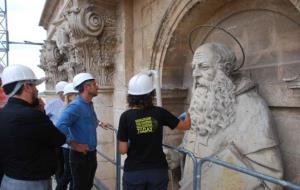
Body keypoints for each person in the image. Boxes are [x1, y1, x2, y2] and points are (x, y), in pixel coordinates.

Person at [178, 43, 283, 189]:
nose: (195, 74)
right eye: (193, 67)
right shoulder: (199, 104)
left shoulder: (251, 106)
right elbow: (191, 143)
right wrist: (175, 153)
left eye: (204, 67)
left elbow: (270, 177)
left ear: (225, 69)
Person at [117, 72, 191, 190]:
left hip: (134, 172)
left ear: (130, 97)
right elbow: (185, 126)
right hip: (157, 171)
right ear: (151, 94)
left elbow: (122, 150)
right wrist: (187, 113)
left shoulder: (125, 117)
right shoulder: (159, 112)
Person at [0, 64, 66, 190]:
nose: (36, 90)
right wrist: (42, 113)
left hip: (9, 180)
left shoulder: (3, 113)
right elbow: (59, 139)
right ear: (26, 86)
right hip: (32, 184)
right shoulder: (32, 115)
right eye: (35, 85)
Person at [56, 73, 99, 190]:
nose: (98, 86)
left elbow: (92, 121)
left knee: (87, 186)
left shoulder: (89, 104)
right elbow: (60, 126)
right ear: (87, 87)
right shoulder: (75, 106)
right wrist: (74, 144)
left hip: (91, 154)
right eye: (95, 84)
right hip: (80, 156)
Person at [55, 83, 78, 190]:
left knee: (72, 174)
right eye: (76, 94)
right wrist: (70, 141)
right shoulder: (67, 109)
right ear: (69, 96)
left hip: (70, 146)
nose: (79, 96)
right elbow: (60, 128)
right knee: (69, 174)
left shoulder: (70, 108)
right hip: (69, 147)